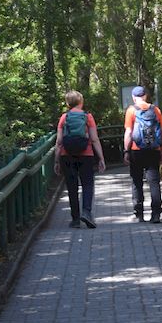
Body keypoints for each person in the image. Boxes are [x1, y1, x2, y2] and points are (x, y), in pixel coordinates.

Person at [54, 90, 105, 228]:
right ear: (81, 102)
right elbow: (94, 139)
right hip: (86, 155)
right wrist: (101, 158)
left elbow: (59, 142)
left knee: (72, 187)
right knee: (87, 185)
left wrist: (57, 161)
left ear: (67, 103)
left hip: (67, 155)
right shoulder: (87, 117)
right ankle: (86, 213)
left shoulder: (64, 118)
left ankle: (75, 219)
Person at [123, 85, 162, 223]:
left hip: (136, 151)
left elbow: (128, 133)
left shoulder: (131, 111)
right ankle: (156, 214)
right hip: (153, 150)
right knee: (154, 182)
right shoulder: (156, 110)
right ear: (145, 96)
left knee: (137, 182)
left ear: (134, 98)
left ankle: (139, 214)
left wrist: (126, 151)